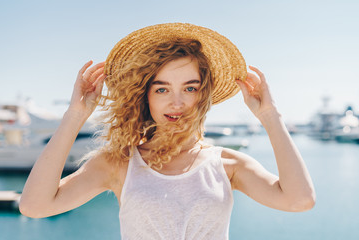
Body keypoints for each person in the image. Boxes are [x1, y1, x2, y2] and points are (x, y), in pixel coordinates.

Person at [19, 23, 315, 239]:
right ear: (145, 95)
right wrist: (76, 114)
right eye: (162, 89)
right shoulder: (119, 164)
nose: (177, 102)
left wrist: (269, 115)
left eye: (190, 87)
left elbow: (299, 200)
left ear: (204, 94)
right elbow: (34, 206)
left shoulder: (228, 165)